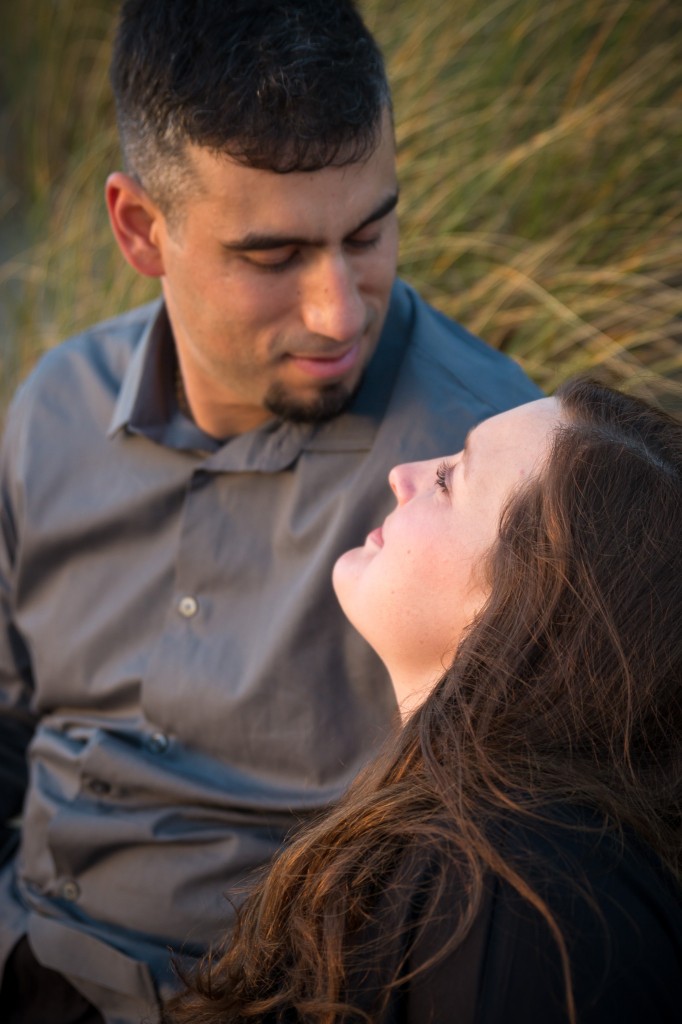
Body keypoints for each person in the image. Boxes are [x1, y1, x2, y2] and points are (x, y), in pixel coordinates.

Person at [0, 1, 542, 1022]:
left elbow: (508, 864)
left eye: (368, 232)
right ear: (139, 228)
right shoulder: (53, 406)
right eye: (272, 255)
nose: (340, 310)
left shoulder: (480, 471)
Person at [165, 377, 682, 1024]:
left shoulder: (516, 907)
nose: (403, 475)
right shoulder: (504, 848)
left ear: (522, 605)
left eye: (449, 480)